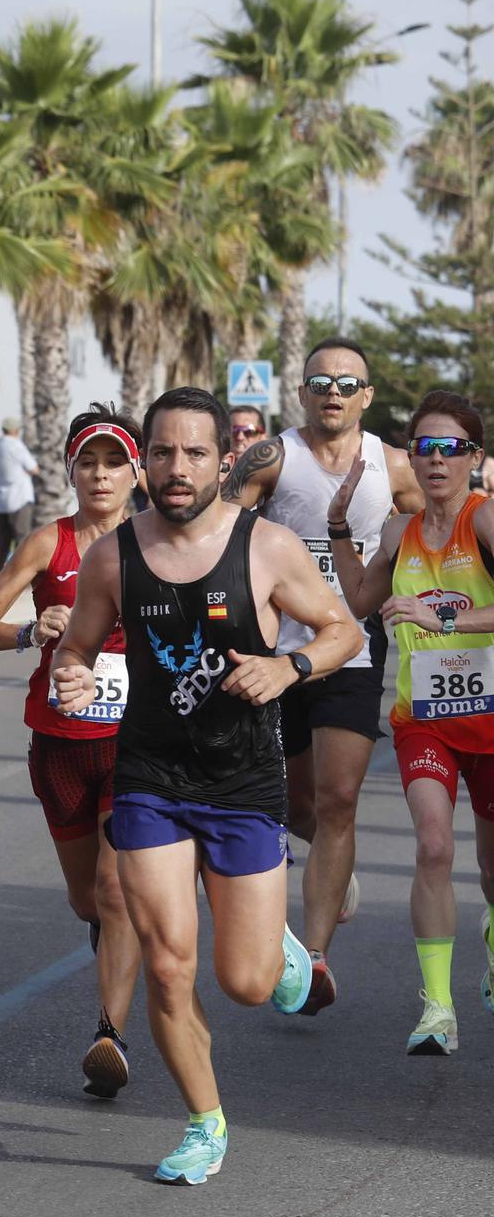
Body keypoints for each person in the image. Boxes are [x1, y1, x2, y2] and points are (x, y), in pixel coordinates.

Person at [52, 386, 360, 1186]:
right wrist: (72, 677)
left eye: (194, 453)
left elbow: (343, 631)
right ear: (144, 461)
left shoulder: (267, 547)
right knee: (166, 963)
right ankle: (203, 1120)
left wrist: (288, 664)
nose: (177, 469)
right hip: (150, 777)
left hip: (242, 781)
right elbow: (77, 648)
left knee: (248, 982)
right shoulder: (113, 555)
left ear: (226, 458)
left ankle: (280, 952)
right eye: (162, 453)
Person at [223, 337, 422, 1012]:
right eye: (320, 381)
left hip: (353, 652)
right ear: (302, 392)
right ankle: (336, 875)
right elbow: (216, 531)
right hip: (276, 658)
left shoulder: (393, 466)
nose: (332, 391)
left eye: (347, 382)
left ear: (366, 396)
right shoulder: (272, 457)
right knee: (299, 807)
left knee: (337, 800)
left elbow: (443, 532)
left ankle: (310, 961)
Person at [0, 406, 143, 1097]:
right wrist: (29, 631)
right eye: (87, 461)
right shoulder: (50, 542)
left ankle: (109, 1032)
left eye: (113, 462)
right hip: (62, 743)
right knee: (85, 899)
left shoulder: (155, 542)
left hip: (134, 743)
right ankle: (112, 943)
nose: (99, 474)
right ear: (70, 469)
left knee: (113, 888)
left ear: (136, 473)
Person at [327, 390, 494, 1054]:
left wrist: (442, 617)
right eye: (424, 447)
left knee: (490, 868)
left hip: (491, 715)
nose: (436, 459)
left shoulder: (485, 522)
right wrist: (340, 531)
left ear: (473, 458)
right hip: (423, 716)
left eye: (451, 447)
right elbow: (362, 600)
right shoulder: (398, 532)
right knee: (433, 845)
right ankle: (438, 1010)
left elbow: (443, 614)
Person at [0, 417, 40, 574]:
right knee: (22, 541)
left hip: (1, 500)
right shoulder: (16, 445)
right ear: (16, 430)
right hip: (20, 499)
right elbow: (34, 468)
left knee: (1, 542)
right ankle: (21, 575)